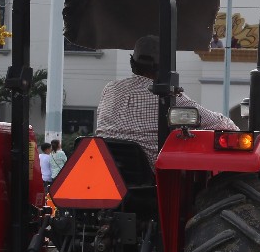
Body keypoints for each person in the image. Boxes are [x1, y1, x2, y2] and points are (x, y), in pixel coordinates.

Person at [96, 35, 237, 165]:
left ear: (132, 63)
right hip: (150, 173)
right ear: (165, 66)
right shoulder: (167, 96)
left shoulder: (110, 89)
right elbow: (222, 125)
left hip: (105, 164)